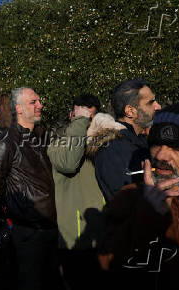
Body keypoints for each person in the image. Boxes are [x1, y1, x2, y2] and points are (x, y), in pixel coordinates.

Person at [100, 102, 179, 290]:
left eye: (177, 148)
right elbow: (107, 266)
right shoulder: (128, 199)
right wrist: (145, 216)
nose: (161, 155)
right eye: (156, 144)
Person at [0, 87, 62, 290]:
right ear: (19, 108)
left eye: (39, 101)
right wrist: (11, 220)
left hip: (52, 228)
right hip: (28, 233)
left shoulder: (41, 136)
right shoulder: (6, 142)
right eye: (33, 102)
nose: (40, 105)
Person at [47, 94, 107, 289]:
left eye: (90, 118)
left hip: (104, 237)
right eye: (81, 115)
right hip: (77, 241)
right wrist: (81, 121)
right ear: (71, 115)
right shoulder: (58, 144)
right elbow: (69, 163)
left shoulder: (102, 144)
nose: (87, 122)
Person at [94, 78, 161, 201]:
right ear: (130, 111)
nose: (158, 106)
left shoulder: (139, 142)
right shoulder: (113, 149)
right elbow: (125, 200)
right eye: (151, 102)